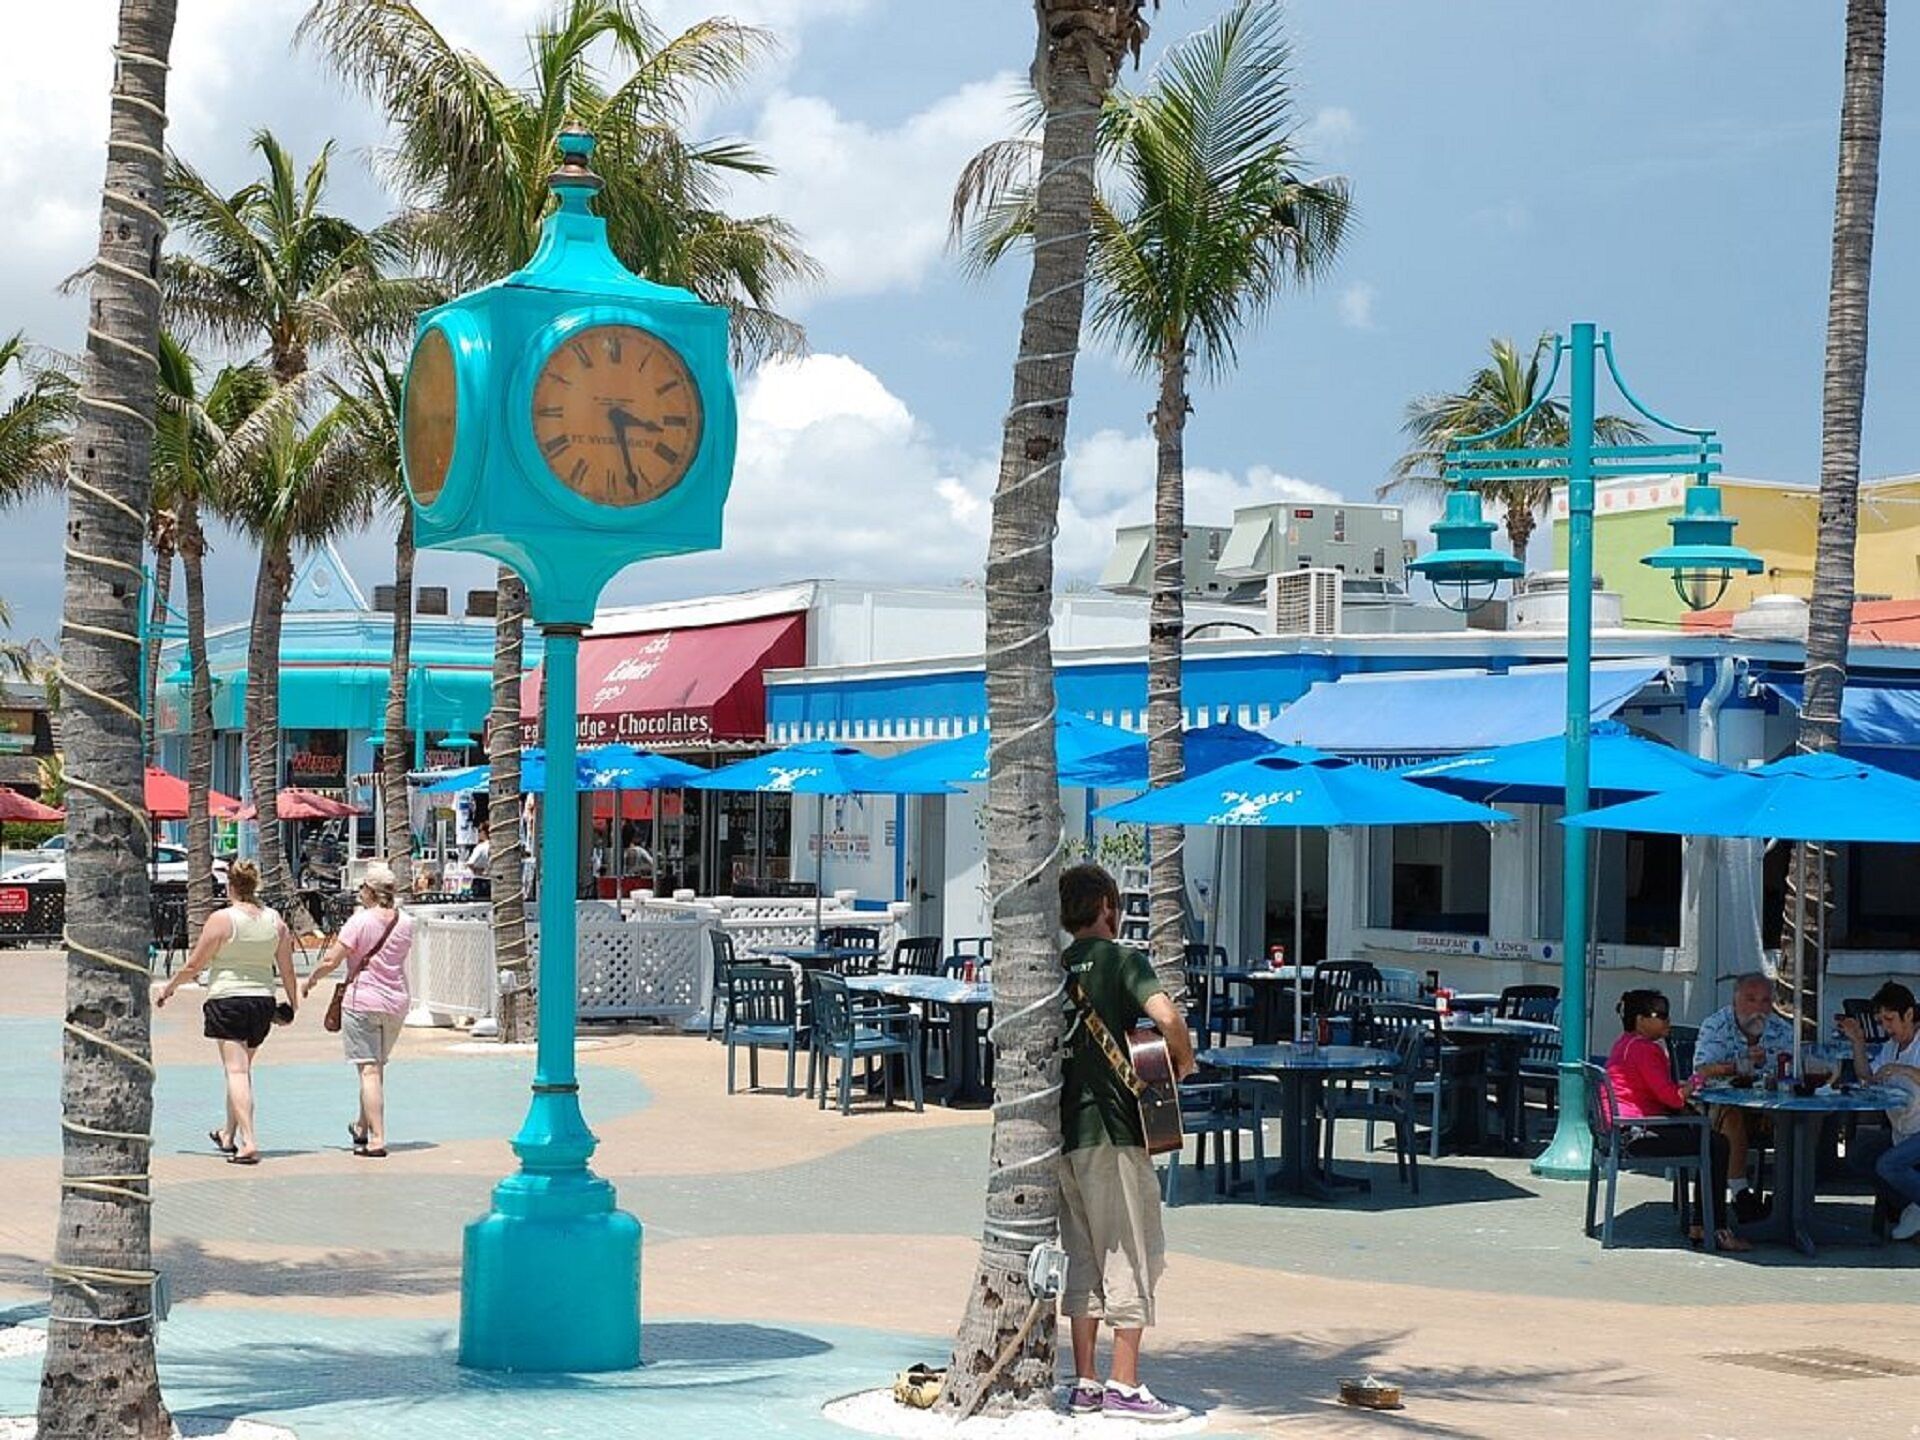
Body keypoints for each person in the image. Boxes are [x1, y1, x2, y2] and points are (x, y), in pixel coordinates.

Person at [1056, 862, 1196, 1422]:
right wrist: (1183, 1062)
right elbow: (1166, 1016)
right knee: (1131, 1254)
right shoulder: (1123, 960)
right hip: (1115, 1133)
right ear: (1107, 907)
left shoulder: (1055, 968)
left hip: (1064, 1136)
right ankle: (1126, 1385)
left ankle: (1086, 1383)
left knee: (1083, 1257)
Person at [156, 859, 298, 1166]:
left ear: (230, 887)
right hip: (262, 1001)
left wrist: (170, 988)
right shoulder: (275, 921)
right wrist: (293, 1003)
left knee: (236, 1072)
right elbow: (286, 968)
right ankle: (228, 1134)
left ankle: (248, 1141)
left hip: (228, 1000)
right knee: (242, 1071)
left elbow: (195, 964)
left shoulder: (222, 920)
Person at [1605, 989, 1749, 1251]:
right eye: (1660, 1015)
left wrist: (1682, 1088)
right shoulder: (1646, 1050)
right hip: (1639, 1135)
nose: (1667, 1020)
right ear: (1640, 1020)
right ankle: (1714, 1228)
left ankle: (1699, 1223)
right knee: (1717, 1145)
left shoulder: (1623, 1044)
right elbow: (1673, 1099)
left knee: (1707, 1136)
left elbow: (1655, 1090)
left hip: (1623, 1130)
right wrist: (1703, 1075)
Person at [303, 863, 413, 1158]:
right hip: (396, 1001)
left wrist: (312, 980)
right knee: (375, 1068)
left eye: (362, 888)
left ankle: (377, 1138)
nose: (359, 893)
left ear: (371, 891)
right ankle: (362, 1126)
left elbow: (332, 960)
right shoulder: (406, 922)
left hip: (362, 999)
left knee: (368, 1070)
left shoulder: (360, 921)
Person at [1690, 972, 1795, 1221]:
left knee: (1802, 1119)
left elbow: (1794, 1070)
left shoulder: (1782, 1029)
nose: (1758, 1008)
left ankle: (1788, 1195)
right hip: (1720, 1108)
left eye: (1765, 1001)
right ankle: (1740, 1194)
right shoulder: (1716, 1025)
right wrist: (1740, 1064)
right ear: (1735, 1001)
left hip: (1769, 1107)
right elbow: (1702, 1071)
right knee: (1731, 1114)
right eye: (1751, 999)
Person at [1839, 980, 1920, 1240]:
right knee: (1858, 1156)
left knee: (1889, 1165)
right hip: (1902, 1130)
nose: (1886, 1027)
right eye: (1882, 1021)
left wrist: (1904, 1070)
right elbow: (1868, 1077)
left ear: (1908, 1014)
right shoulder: (1891, 1046)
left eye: (1890, 1019)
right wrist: (1858, 1042)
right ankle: (1911, 1204)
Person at [468, 835, 492, 901]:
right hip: (491, 879)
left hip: (479, 880)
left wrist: (476, 870)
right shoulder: (495, 846)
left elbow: (470, 863)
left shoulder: (480, 847)